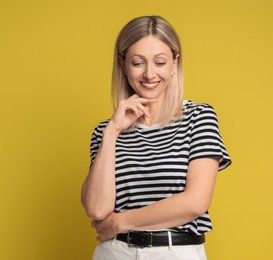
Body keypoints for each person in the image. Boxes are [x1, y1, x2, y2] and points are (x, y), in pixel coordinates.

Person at [81, 15, 231, 260]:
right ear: (123, 64)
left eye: (160, 62)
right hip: (115, 253)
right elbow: (97, 209)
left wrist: (122, 222)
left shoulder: (199, 117)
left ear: (175, 63)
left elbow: (195, 202)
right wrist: (112, 131)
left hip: (176, 252)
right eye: (138, 63)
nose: (149, 74)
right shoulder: (105, 131)